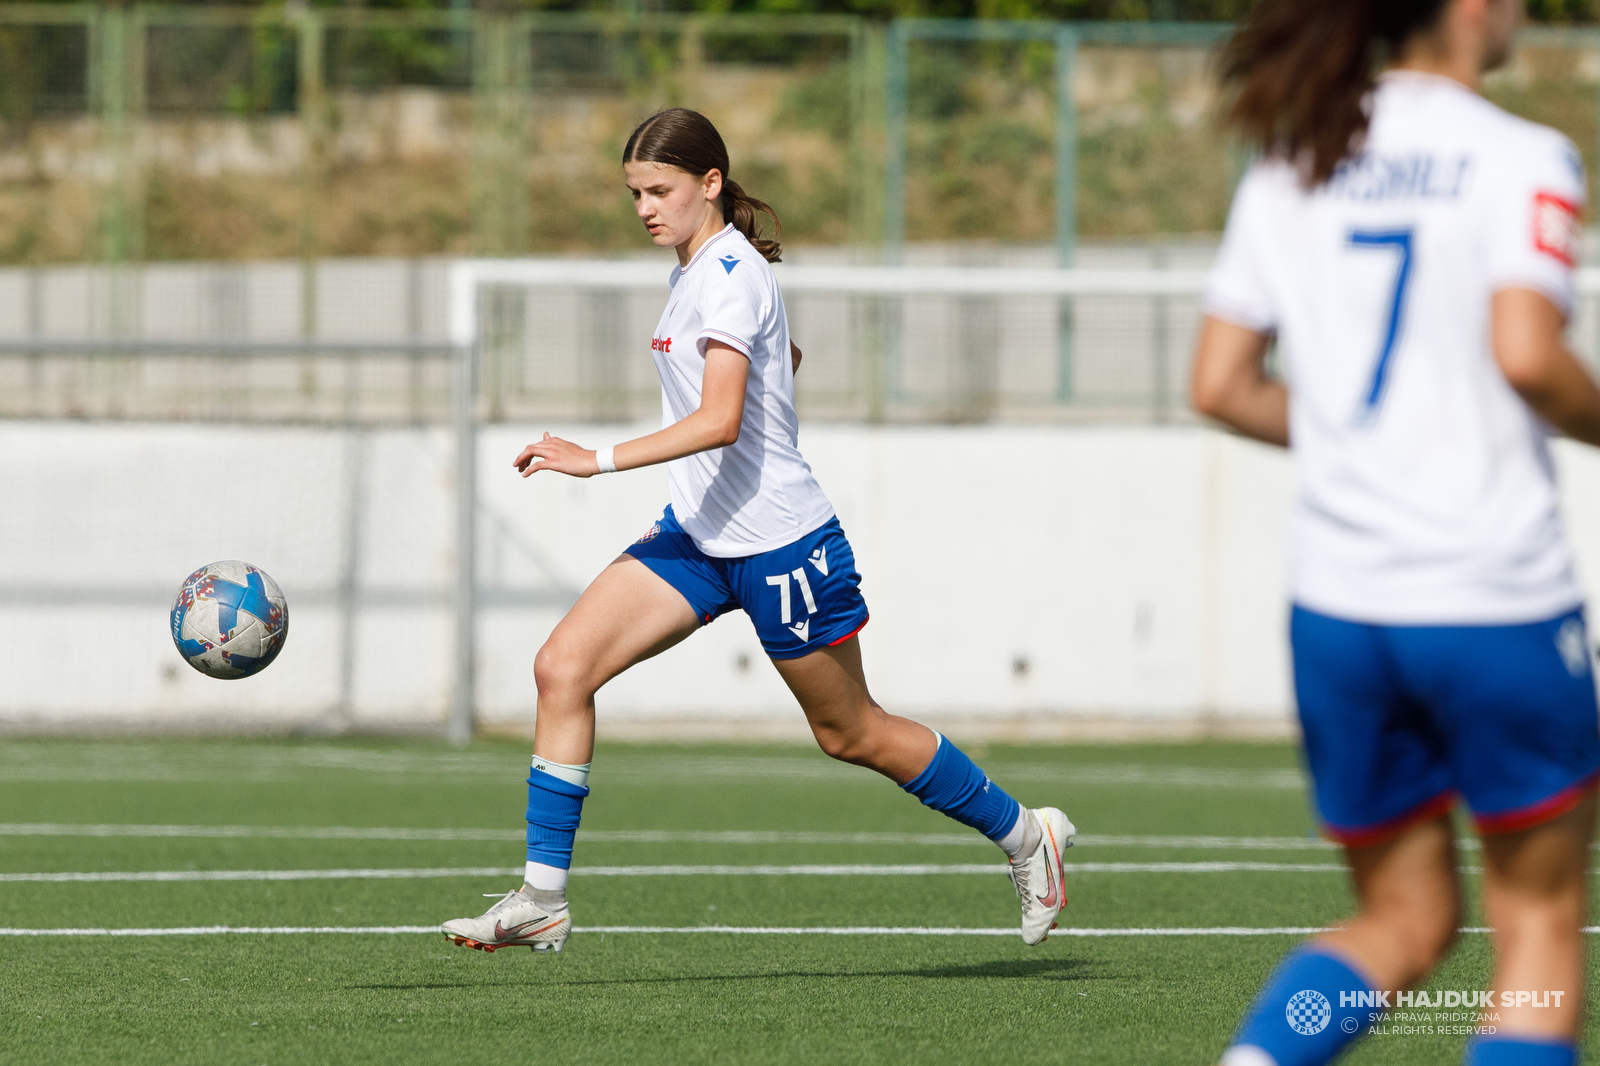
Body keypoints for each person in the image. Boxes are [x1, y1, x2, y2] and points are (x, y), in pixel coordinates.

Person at [440, 108, 1075, 955]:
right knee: (562, 668)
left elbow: (721, 420)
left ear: (710, 183)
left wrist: (595, 458)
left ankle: (1028, 836)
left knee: (851, 732)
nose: (644, 209)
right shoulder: (697, 268)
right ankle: (542, 898)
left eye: (659, 190)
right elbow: (777, 366)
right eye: (634, 192)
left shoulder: (730, 273)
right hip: (700, 538)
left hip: (781, 547)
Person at [1192, 2, 1600, 1064]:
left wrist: (1349, 442)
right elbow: (1526, 352)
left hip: (1339, 608)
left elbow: (1219, 384)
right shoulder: (1519, 155)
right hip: (1491, 596)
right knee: (1539, 931)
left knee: (1402, 924)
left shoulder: (1295, 154)